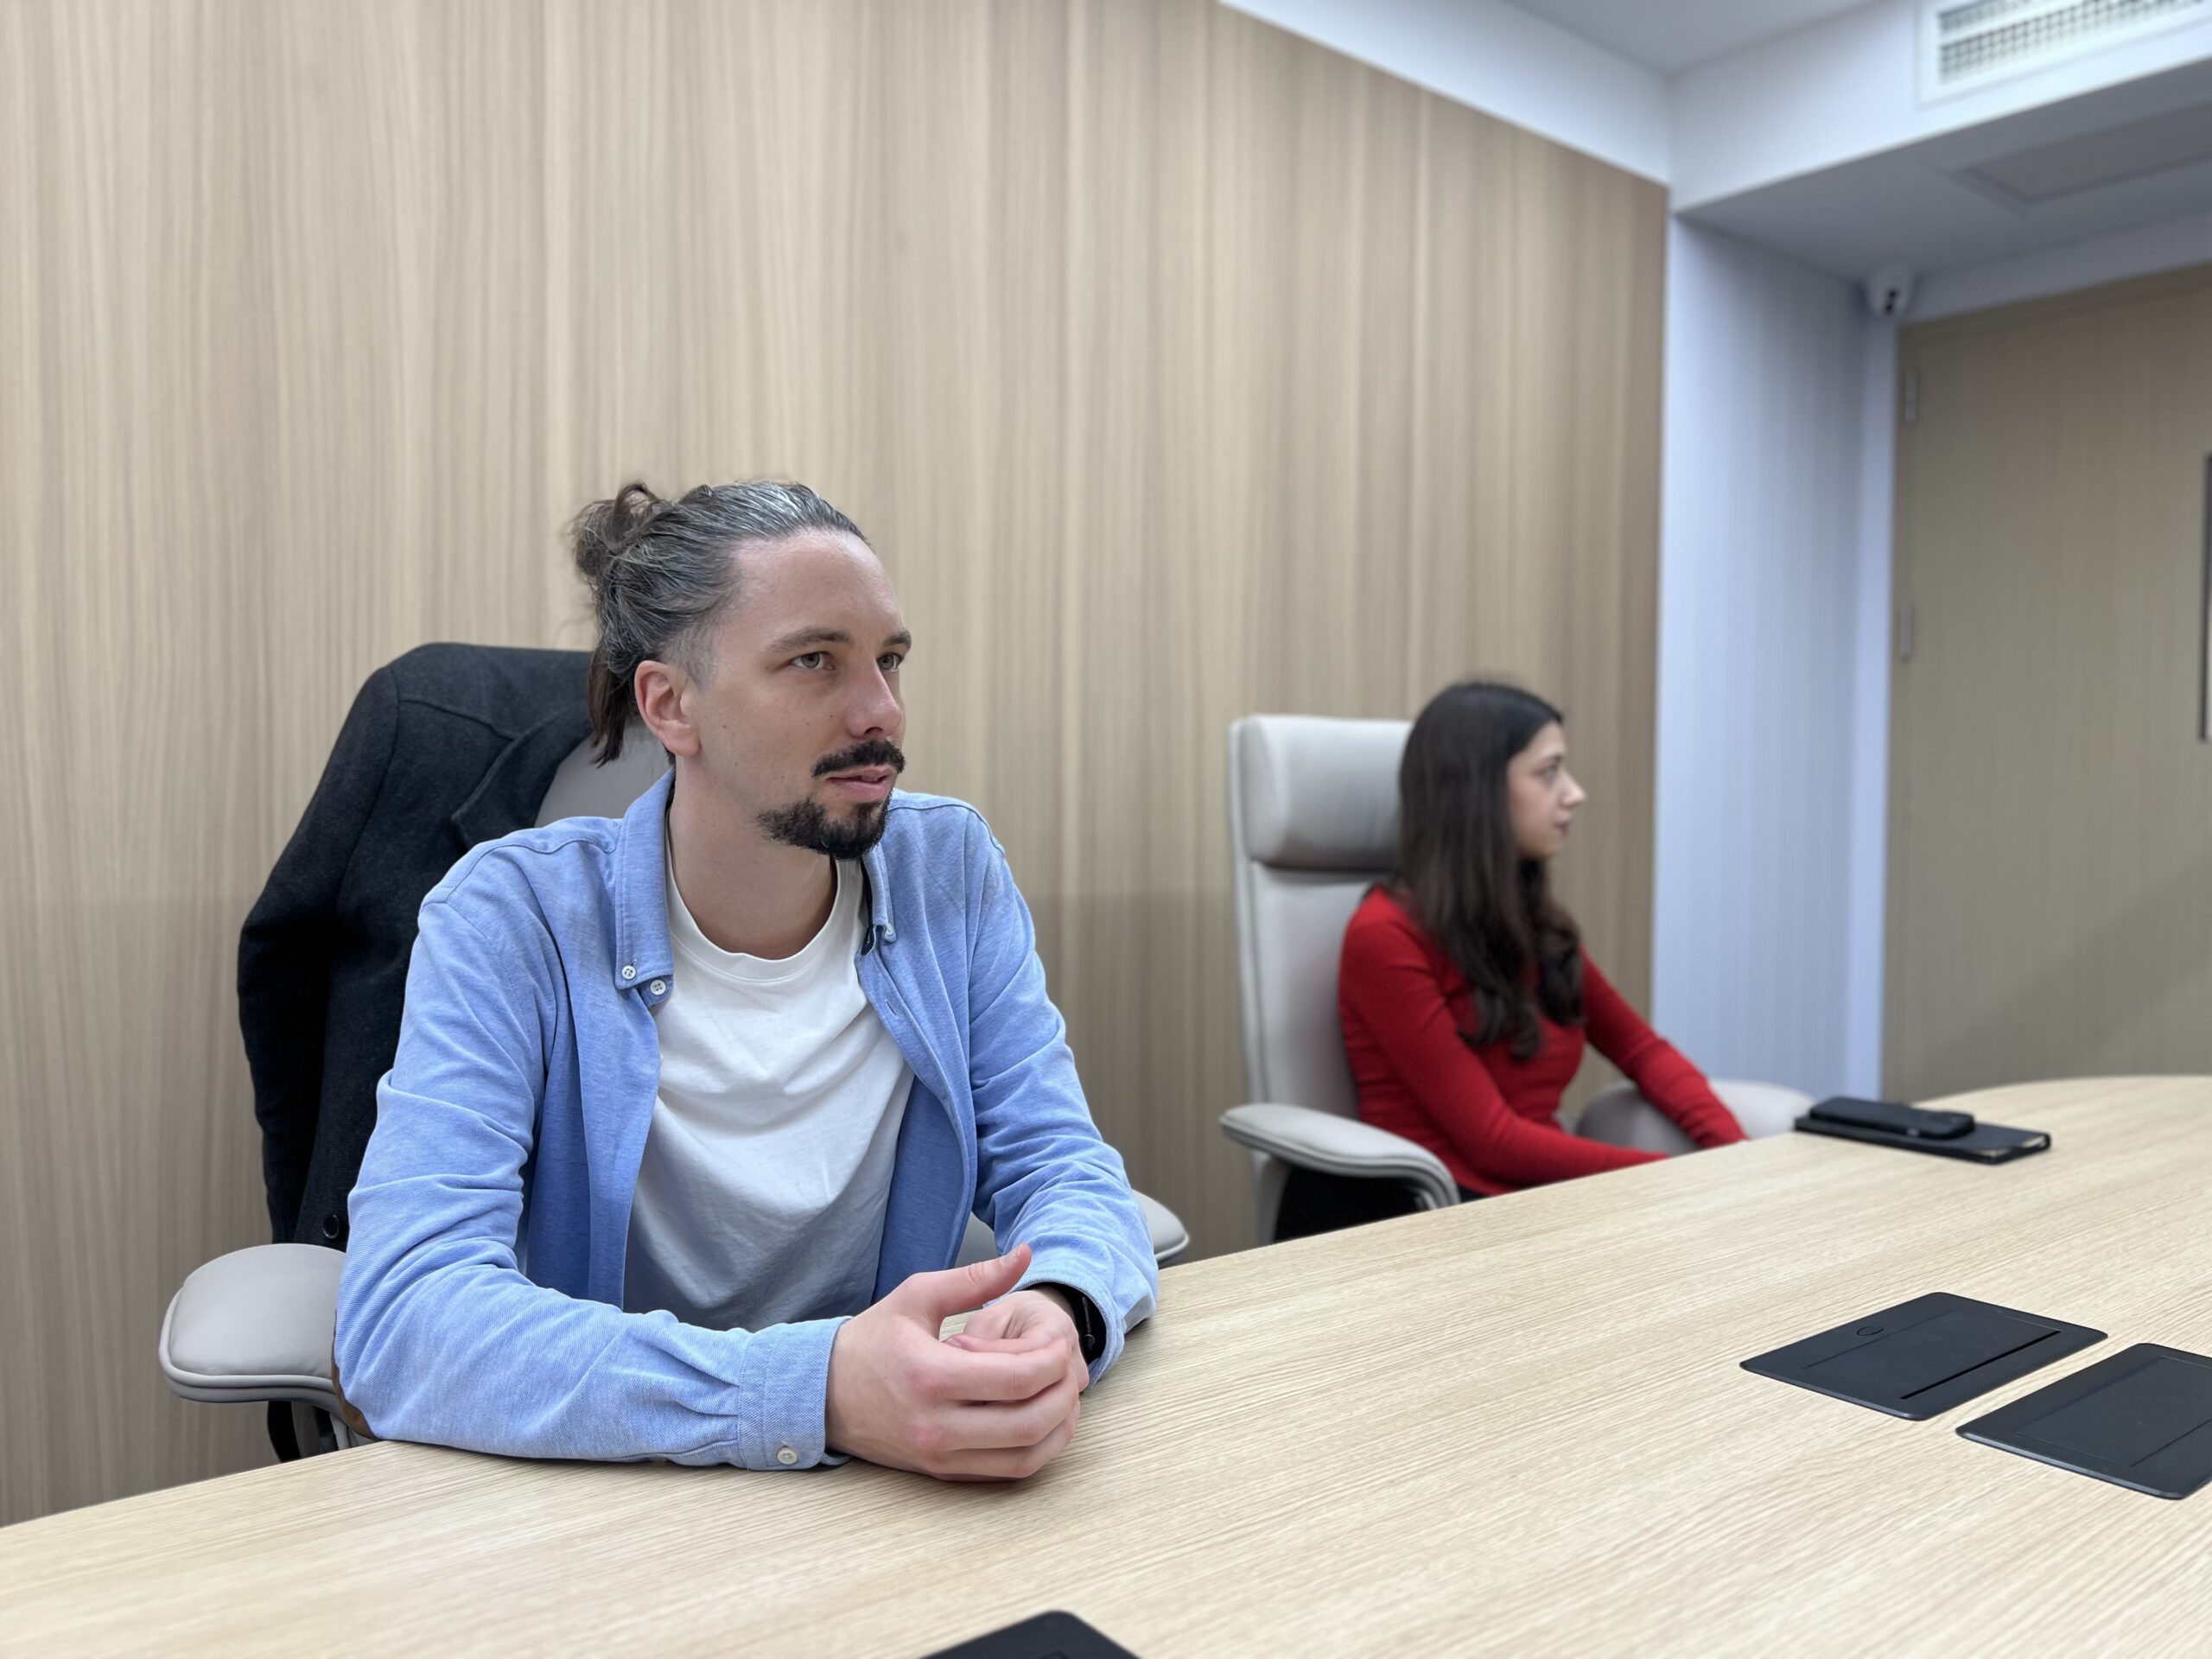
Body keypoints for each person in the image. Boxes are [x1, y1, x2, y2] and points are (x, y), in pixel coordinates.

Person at [334, 480, 1157, 1481]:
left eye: (890, 660)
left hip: (889, 1483)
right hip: (606, 1491)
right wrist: (810, 1391)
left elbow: (1063, 1168)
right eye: (815, 661)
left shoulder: (948, 872)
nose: (881, 711)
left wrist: (1060, 1303)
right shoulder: (514, 918)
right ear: (669, 705)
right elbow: (404, 1318)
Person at [1332, 679, 1743, 1217]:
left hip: (1540, 1198)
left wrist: (1738, 1156)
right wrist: (1670, 1179)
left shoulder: (1532, 926)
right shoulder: (1383, 936)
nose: (1575, 793)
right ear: (1478, 792)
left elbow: (1644, 1053)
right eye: (1549, 773)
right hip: (1443, 1212)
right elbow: (1492, 1140)